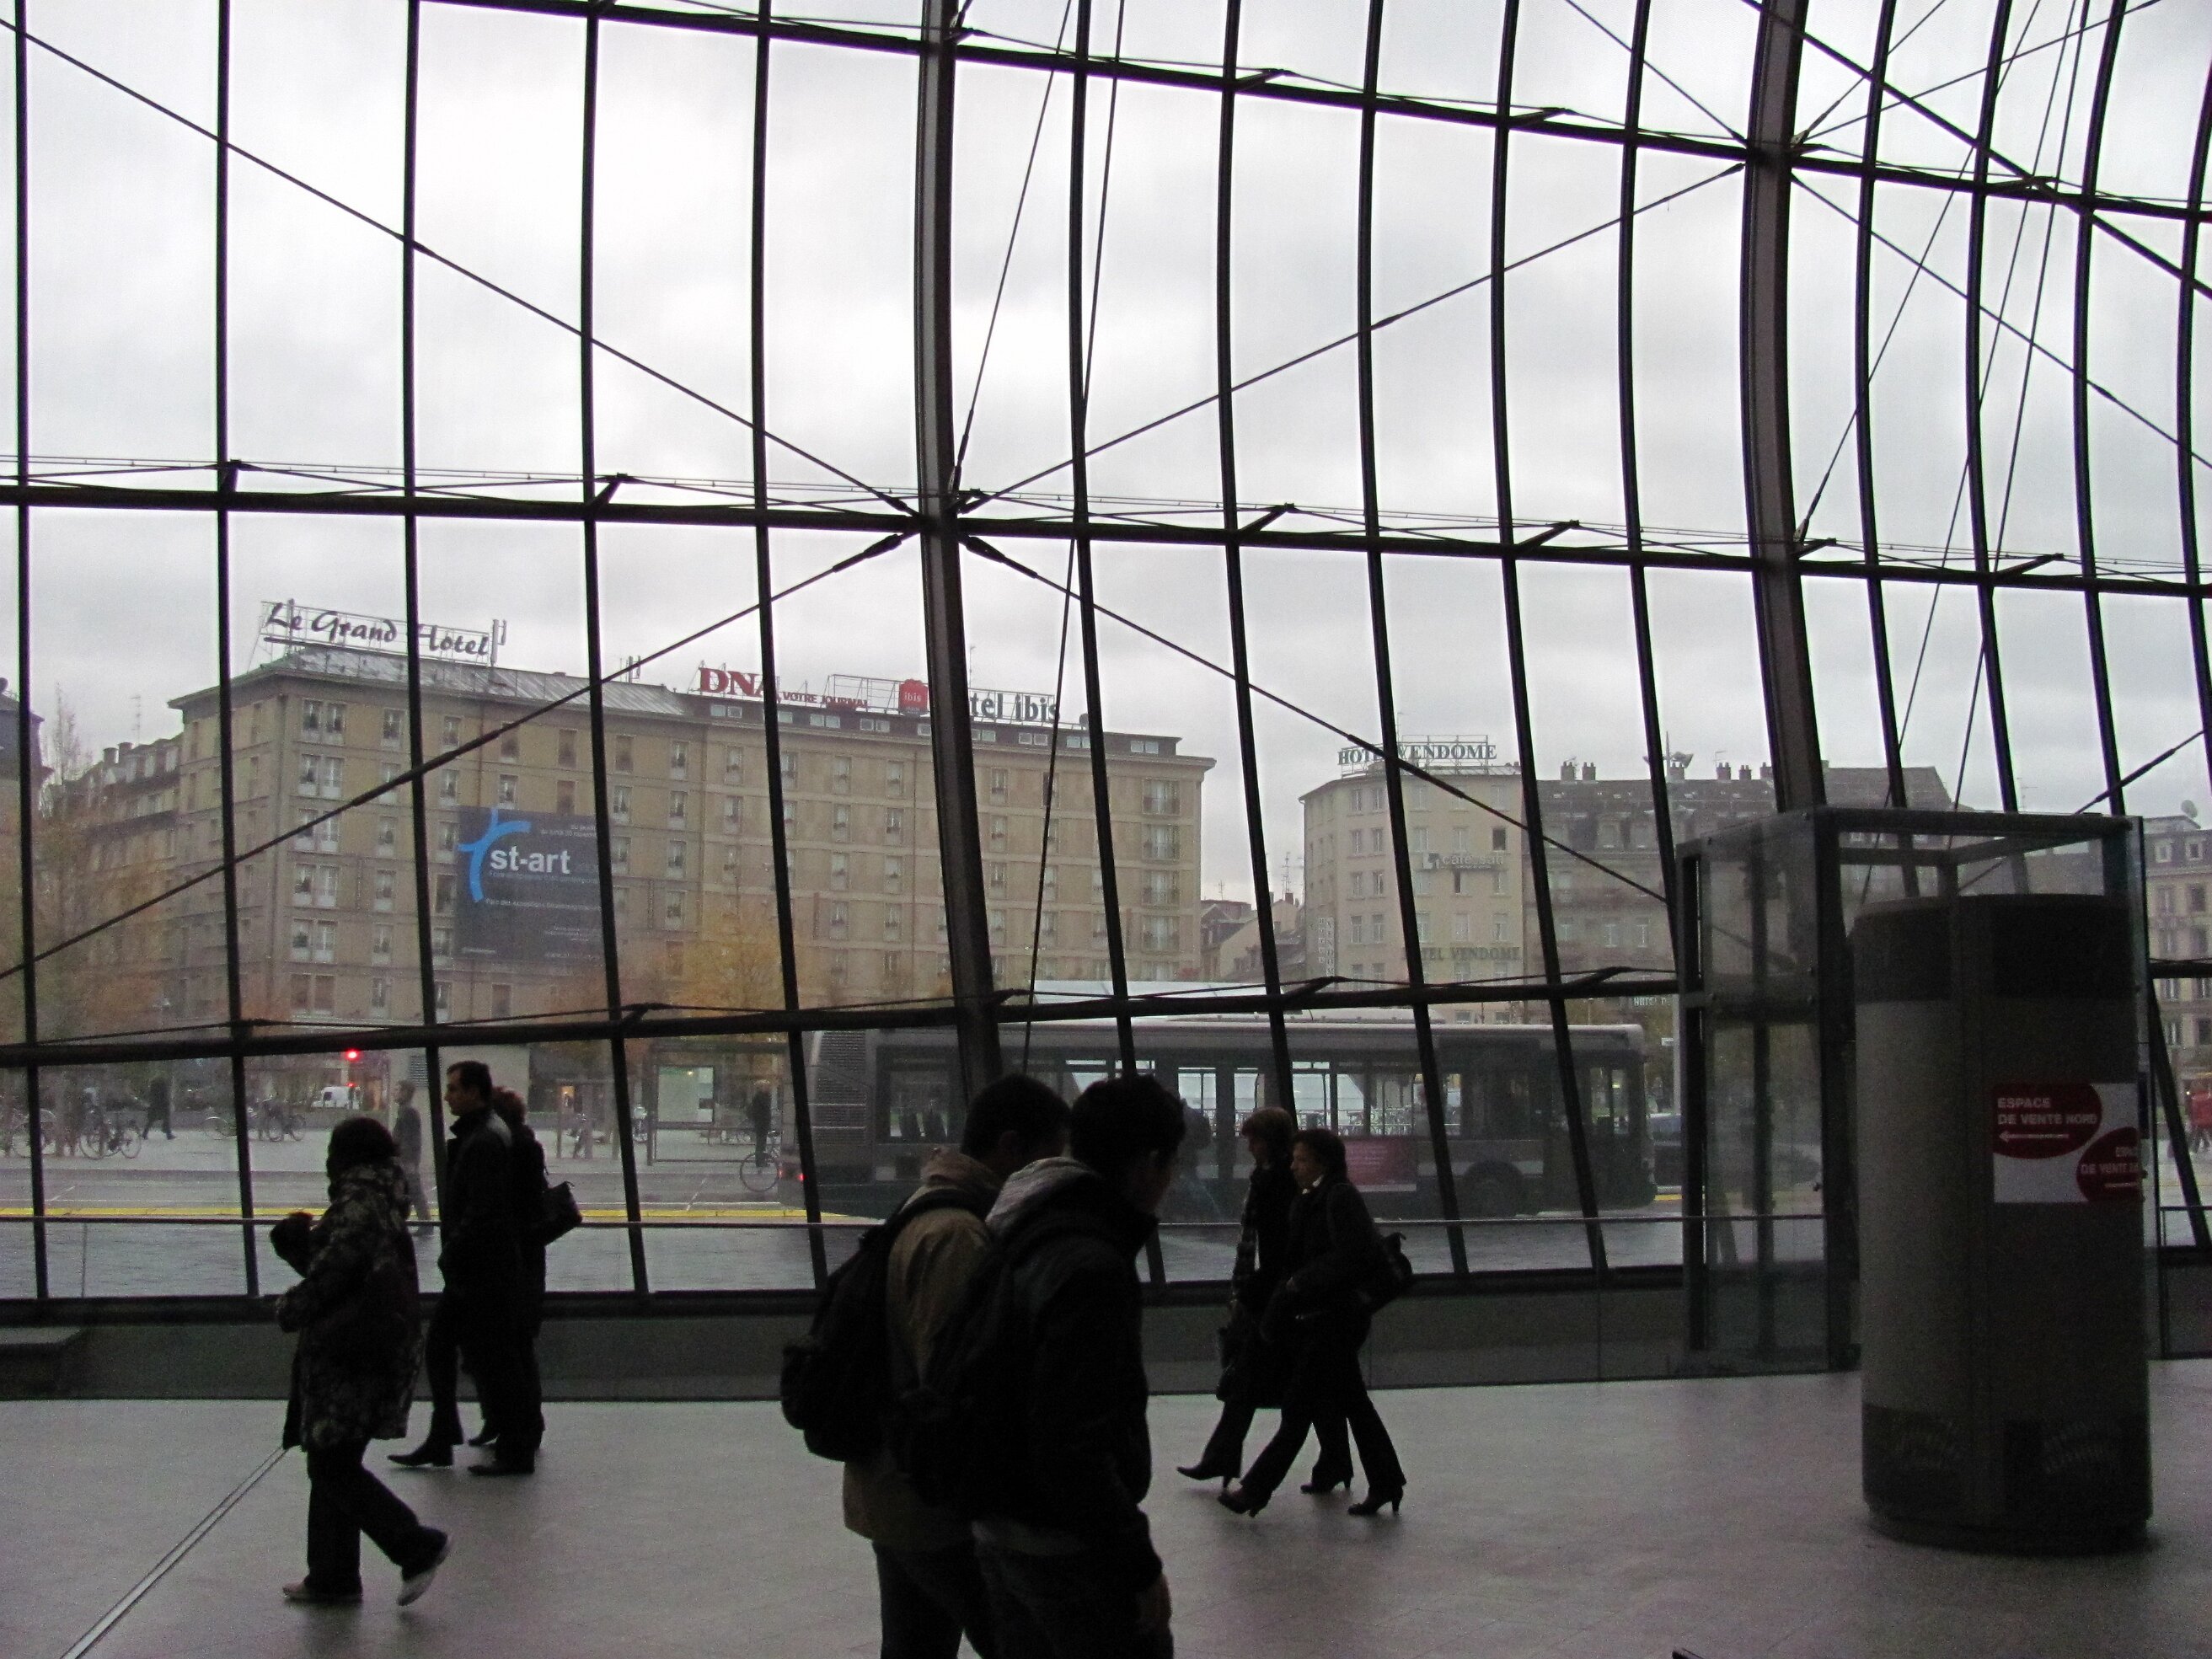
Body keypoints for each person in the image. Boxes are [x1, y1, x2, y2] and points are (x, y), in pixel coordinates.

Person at [846, 1074, 1072, 1659]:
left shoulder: (926, 1206)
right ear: (1010, 1146)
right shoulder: (958, 1236)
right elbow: (955, 1387)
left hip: (893, 1487)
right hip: (930, 1506)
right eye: (1048, 1158)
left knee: (914, 1645)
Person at [971, 1073, 1185, 1659]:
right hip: (1066, 1547)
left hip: (998, 1527)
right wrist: (1136, 1562)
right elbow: (1071, 1443)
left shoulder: (1021, 1226)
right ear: (1148, 1165)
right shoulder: (1093, 1265)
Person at [270, 1115, 450, 1608]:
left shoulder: (358, 1203)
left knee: (331, 1465)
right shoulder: (384, 1198)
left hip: (352, 1354)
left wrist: (290, 1306)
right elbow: (354, 1272)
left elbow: (331, 1276)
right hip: (376, 1344)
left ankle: (415, 1545)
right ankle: (332, 1575)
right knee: (334, 1457)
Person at [1219, 1127, 1406, 1519]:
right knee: (1353, 1403)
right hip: (1329, 1318)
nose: (1294, 1166)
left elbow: (1349, 1256)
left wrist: (1299, 1284)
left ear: (1322, 1162)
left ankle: (1255, 1488)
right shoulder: (1315, 1198)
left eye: (1302, 1159)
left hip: (1333, 1319)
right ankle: (1386, 1481)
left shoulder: (1337, 1197)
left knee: (1298, 1407)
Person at [389, 1061, 542, 1477]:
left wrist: (453, 1251)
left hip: (479, 1271)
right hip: (483, 1268)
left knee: (478, 1354)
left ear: (475, 1092)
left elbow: (482, 1210)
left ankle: (499, 1445)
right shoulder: (488, 1133)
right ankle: (461, 1437)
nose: (448, 1096)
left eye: (455, 1089)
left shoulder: (483, 1141)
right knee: (466, 1351)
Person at [1177, 1106, 1310, 1487]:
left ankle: (1222, 1458)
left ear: (1269, 1142)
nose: (1249, 1146)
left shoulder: (1273, 1184)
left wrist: (1246, 1293)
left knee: (1252, 1377)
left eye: (1254, 1139)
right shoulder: (1278, 1180)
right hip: (1273, 1295)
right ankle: (1223, 1457)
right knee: (1290, 1384)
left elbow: (1274, 1252)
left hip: (1271, 1297)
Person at [390, 1082, 431, 1228]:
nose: (394, 1092)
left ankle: (425, 1223)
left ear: (405, 1092)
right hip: (405, 1159)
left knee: (414, 1191)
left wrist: (406, 1160)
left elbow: (410, 1139)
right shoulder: (404, 1110)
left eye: (397, 1090)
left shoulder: (408, 1112)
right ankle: (424, 1222)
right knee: (410, 1191)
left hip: (406, 1160)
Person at [144, 1073, 174, 1141]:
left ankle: (145, 1133)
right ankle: (168, 1133)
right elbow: (165, 1095)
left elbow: (151, 1095)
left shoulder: (153, 1086)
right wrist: (168, 1103)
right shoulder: (163, 1086)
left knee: (151, 1120)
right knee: (166, 1118)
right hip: (163, 1105)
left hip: (155, 1105)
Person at [750, 1086, 774, 1164]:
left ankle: (760, 1160)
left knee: (761, 1143)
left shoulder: (759, 1097)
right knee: (761, 1144)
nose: (768, 1089)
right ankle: (760, 1161)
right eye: (767, 1088)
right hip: (762, 1124)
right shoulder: (761, 1098)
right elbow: (765, 1110)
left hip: (761, 1123)